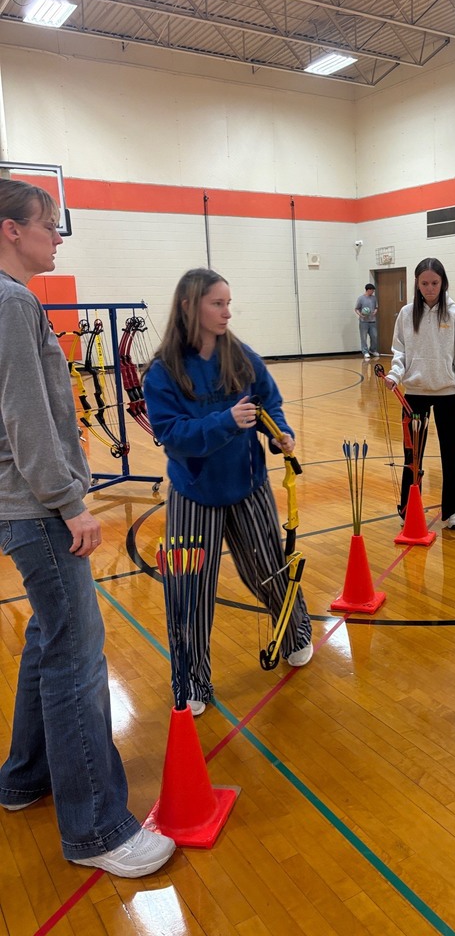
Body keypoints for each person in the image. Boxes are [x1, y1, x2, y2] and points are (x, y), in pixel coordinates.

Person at [0, 179, 175, 878]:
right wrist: (69, 499)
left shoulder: (13, 301)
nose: (58, 236)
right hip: (38, 511)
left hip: (25, 506)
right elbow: (26, 417)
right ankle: (97, 826)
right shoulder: (12, 302)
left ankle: (22, 778)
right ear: (12, 230)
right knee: (76, 659)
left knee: (49, 641)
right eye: (48, 224)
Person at [143, 268, 313, 716]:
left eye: (228, 303)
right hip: (193, 492)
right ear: (189, 306)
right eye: (217, 304)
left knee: (269, 571)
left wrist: (281, 432)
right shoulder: (163, 372)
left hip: (248, 485)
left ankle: (296, 632)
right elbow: (171, 433)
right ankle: (193, 681)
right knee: (189, 591)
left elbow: (268, 401)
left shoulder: (241, 355)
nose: (227, 312)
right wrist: (224, 421)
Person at [384, 258, 455, 530]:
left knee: (450, 456)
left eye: (435, 283)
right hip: (415, 394)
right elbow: (400, 352)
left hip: (448, 395)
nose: (430, 288)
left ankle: (454, 510)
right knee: (413, 456)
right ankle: (409, 507)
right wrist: (395, 375)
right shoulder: (407, 314)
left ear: (443, 282)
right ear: (417, 284)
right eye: (424, 283)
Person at [355, 283, 379, 359]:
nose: (373, 292)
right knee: (363, 337)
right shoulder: (361, 298)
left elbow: (376, 307)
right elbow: (356, 309)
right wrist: (360, 315)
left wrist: (375, 311)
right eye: (372, 290)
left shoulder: (374, 298)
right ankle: (365, 351)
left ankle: (372, 350)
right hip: (363, 321)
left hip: (372, 321)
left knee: (374, 336)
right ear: (368, 290)